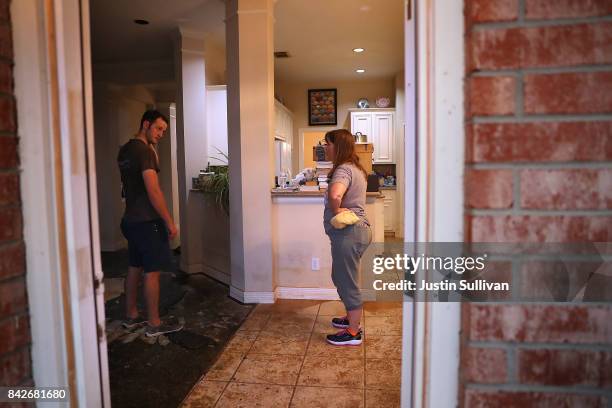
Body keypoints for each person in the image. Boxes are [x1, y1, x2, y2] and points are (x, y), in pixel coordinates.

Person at [117, 110, 183, 337]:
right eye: (158, 128)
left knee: (134, 266)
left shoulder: (125, 150)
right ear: (146, 124)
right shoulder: (144, 152)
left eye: (164, 130)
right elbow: (153, 189)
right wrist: (169, 221)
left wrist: (153, 148)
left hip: (130, 220)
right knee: (152, 271)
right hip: (147, 221)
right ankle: (154, 323)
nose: (161, 133)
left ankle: (131, 316)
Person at [322, 129, 372, 346]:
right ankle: (350, 319)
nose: (325, 147)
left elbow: (335, 194)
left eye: (328, 143)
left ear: (338, 146)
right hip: (355, 232)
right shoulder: (355, 168)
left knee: (346, 281)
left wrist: (336, 210)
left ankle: (353, 332)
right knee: (340, 276)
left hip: (349, 233)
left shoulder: (343, 169)